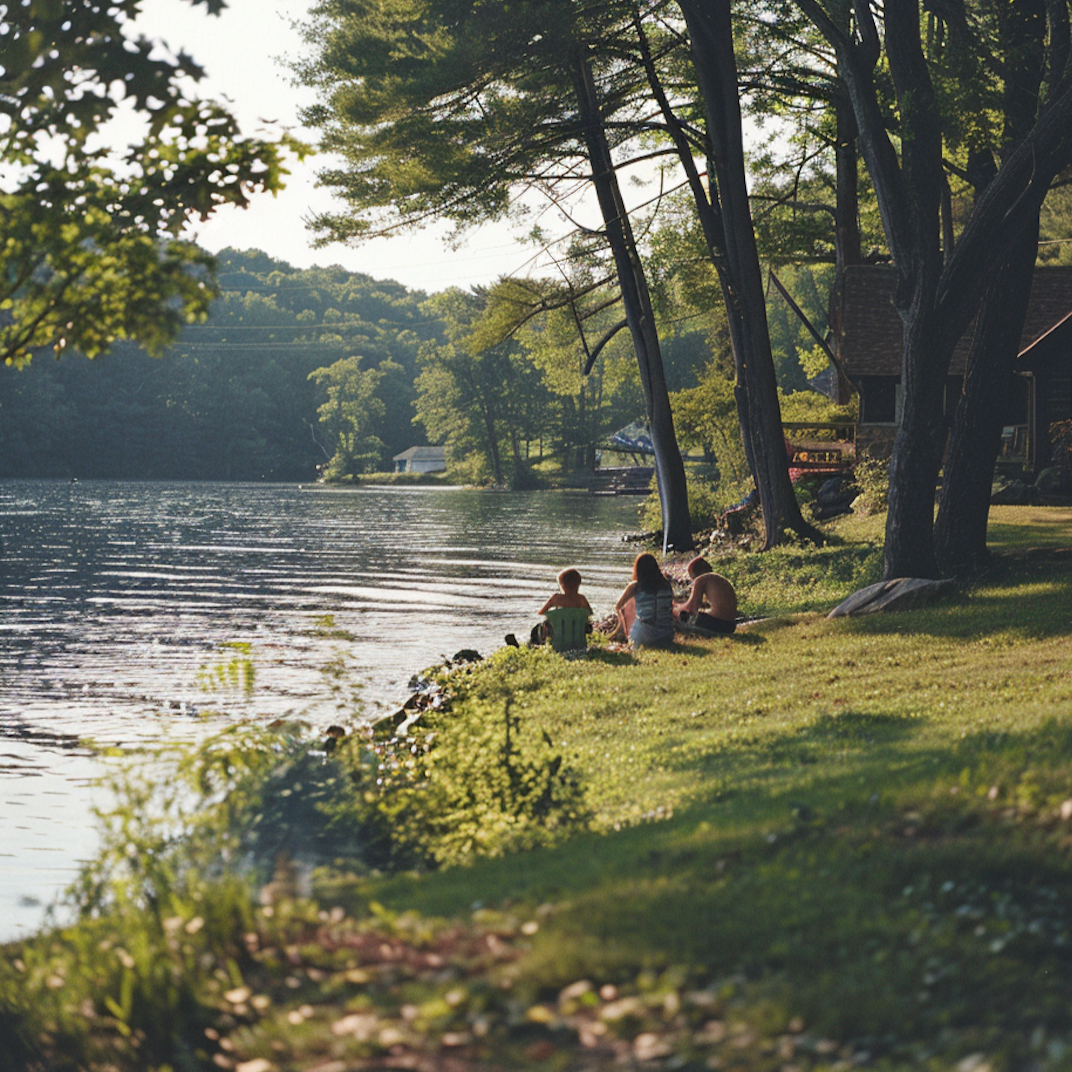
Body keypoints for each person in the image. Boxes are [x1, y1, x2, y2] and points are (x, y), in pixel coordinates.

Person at [615, 552, 675, 648]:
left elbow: (618, 606)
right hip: (667, 634)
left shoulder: (635, 586)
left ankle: (625, 633)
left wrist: (621, 624)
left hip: (644, 635)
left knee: (628, 604)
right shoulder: (666, 585)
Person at [674, 556, 737, 635]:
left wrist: (676, 607)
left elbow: (692, 608)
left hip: (719, 624)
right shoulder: (718, 578)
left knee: (679, 619)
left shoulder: (700, 580)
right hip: (730, 625)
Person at [530, 567, 593, 644]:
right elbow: (589, 613)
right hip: (579, 643)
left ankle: (535, 643)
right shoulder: (581, 599)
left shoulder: (556, 598)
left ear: (562, 585)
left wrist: (556, 612)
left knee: (540, 626)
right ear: (579, 584)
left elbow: (541, 612)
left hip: (559, 644)